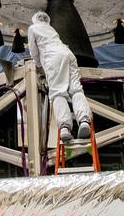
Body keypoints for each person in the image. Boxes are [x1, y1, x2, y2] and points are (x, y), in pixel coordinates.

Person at [27, 12, 91, 143]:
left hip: (53, 57)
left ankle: (64, 128)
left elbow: (33, 50)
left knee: (57, 93)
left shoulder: (33, 28)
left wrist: (38, 64)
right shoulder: (51, 29)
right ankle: (84, 121)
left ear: (35, 19)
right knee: (76, 89)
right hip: (68, 54)